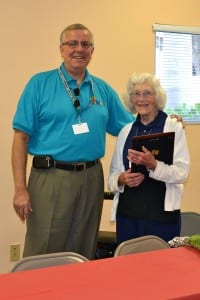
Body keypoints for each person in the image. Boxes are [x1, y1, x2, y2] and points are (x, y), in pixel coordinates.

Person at [11, 23, 134, 259]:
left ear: (92, 50)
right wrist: (20, 189)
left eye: (85, 44)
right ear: (61, 49)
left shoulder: (102, 89)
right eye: (72, 43)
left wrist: (165, 121)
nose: (79, 49)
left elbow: (130, 128)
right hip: (50, 178)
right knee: (44, 248)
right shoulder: (40, 84)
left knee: (83, 249)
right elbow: (20, 138)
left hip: (91, 178)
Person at [108, 73, 190, 245]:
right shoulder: (125, 131)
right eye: (136, 94)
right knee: (128, 268)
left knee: (161, 269)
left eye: (147, 93)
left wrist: (153, 165)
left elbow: (182, 173)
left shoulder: (173, 127)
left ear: (157, 97)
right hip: (128, 217)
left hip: (162, 218)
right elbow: (113, 176)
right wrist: (121, 179)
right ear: (130, 99)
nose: (141, 99)